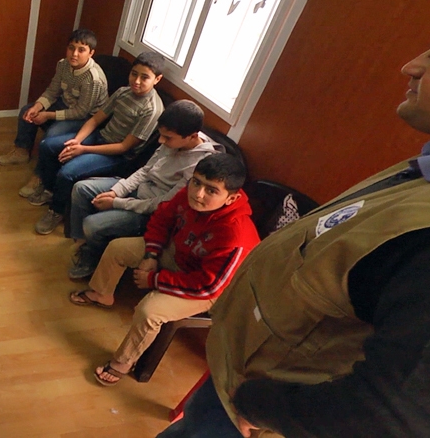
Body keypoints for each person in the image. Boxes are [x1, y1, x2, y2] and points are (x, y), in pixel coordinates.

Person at [159, 27, 430, 437]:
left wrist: (267, 407)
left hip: (259, 413)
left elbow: (397, 411)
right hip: (244, 379)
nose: (412, 66)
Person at [68, 153, 259, 387]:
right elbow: (162, 219)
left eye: (211, 190)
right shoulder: (187, 195)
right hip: (179, 254)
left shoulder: (235, 236)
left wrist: (155, 280)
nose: (198, 193)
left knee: (149, 312)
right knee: (118, 248)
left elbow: (209, 286)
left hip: (210, 291)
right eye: (196, 182)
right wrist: (151, 254)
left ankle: (124, 362)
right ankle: (101, 293)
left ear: (231, 198)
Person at [66, 100, 221, 278]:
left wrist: (117, 203)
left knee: (93, 225)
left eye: (167, 138)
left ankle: (92, 260)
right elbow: (146, 170)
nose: (162, 141)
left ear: (192, 136)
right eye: (161, 135)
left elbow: (164, 204)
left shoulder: (200, 165)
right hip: (139, 191)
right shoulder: (174, 139)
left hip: (150, 212)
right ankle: (84, 243)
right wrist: (117, 191)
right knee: (81, 189)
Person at [27, 52, 167, 236]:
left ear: (157, 79)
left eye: (145, 77)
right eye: (134, 74)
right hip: (100, 137)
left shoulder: (152, 109)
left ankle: (57, 211)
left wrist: (82, 149)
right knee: (48, 145)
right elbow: (95, 120)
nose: (137, 81)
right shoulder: (123, 92)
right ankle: (48, 188)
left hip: (118, 155)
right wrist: (76, 141)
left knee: (68, 172)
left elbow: (124, 147)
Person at [0, 29, 109, 166]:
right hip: (67, 104)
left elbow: (81, 112)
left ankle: (40, 176)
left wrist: (47, 115)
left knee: (52, 135)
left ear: (91, 53)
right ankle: (21, 151)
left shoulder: (93, 79)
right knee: (27, 110)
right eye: (71, 48)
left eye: (81, 50)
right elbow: (52, 91)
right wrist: (37, 107)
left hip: (87, 118)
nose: (74, 54)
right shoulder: (63, 64)